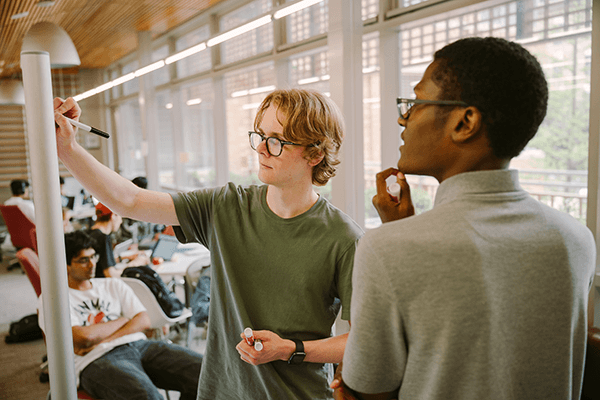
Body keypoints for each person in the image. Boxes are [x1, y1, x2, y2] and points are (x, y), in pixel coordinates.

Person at [53, 88, 363, 399]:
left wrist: (290, 350)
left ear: (315, 153)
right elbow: (130, 201)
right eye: (260, 136)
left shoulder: (344, 239)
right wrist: (67, 149)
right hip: (223, 391)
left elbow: (362, 340)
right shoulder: (226, 206)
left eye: (277, 141)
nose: (262, 150)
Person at [332, 37, 596, 400]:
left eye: (415, 103)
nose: (401, 117)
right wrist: (401, 231)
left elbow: (368, 389)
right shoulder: (575, 239)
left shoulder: (386, 249)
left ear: (465, 121)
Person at [37, 230, 202, 400]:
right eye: (84, 260)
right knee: (148, 396)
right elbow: (83, 337)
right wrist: (124, 320)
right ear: (65, 265)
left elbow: (144, 321)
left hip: (138, 345)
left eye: (94, 257)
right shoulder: (54, 299)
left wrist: (107, 335)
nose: (92, 264)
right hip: (95, 359)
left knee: (207, 371)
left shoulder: (113, 285)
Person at [88, 202, 150, 278]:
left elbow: (101, 262)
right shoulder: (103, 238)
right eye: (120, 217)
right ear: (113, 216)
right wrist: (136, 264)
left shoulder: (89, 234)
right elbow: (111, 274)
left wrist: (126, 257)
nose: (120, 221)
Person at [114, 176, 165, 248]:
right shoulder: (128, 203)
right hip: (131, 243)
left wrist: (158, 232)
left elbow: (158, 225)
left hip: (145, 241)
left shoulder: (148, 204)